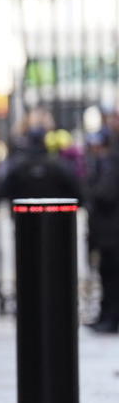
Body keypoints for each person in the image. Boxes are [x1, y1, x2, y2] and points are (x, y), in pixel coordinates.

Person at [85, 130, 119, 334]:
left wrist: (90, 187)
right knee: (106, 276)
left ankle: (111, 318)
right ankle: (105, 316)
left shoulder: (110, 165)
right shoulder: (102, 164)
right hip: (105, 233)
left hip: (112, 234)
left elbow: (105, 194)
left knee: (112, 277)